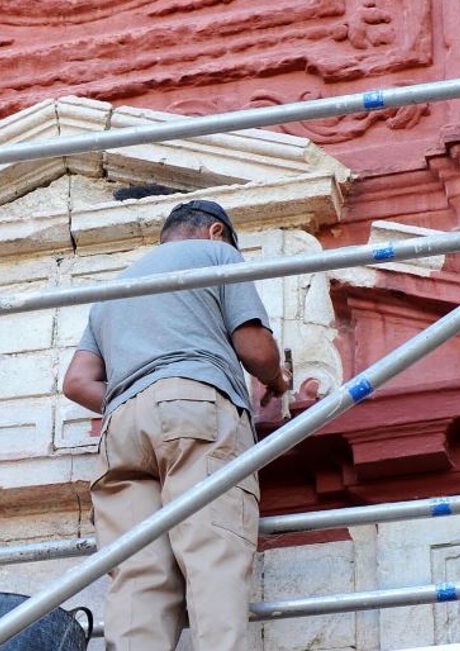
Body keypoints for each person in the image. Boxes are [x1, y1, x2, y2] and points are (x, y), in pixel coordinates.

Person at [62, 198, 291, 650]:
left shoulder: (113, 292)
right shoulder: (218, 255)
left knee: (138, 573)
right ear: (215, 231)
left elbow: (76, 382)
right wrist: (277, 380)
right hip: (194, 407)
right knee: (212, 551)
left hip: (122, 427)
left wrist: (138, 390)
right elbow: (255, 351)